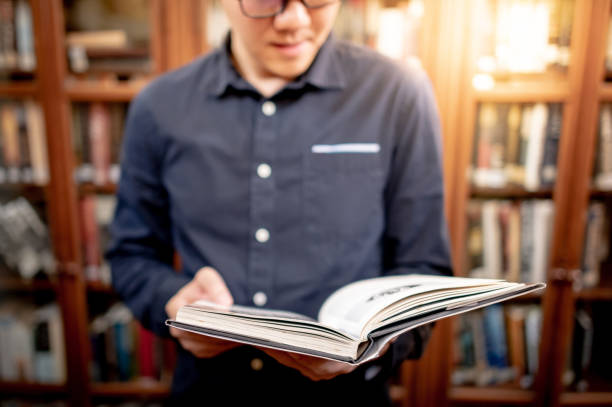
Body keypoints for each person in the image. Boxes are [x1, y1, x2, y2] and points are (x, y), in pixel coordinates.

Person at [107, 0, 452, 405]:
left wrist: (373, 347)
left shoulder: (397, 94)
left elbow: (425, 270)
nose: (295, 20)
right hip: (209, 392)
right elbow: (131, 255)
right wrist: (174, 300)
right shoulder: (158, 107)